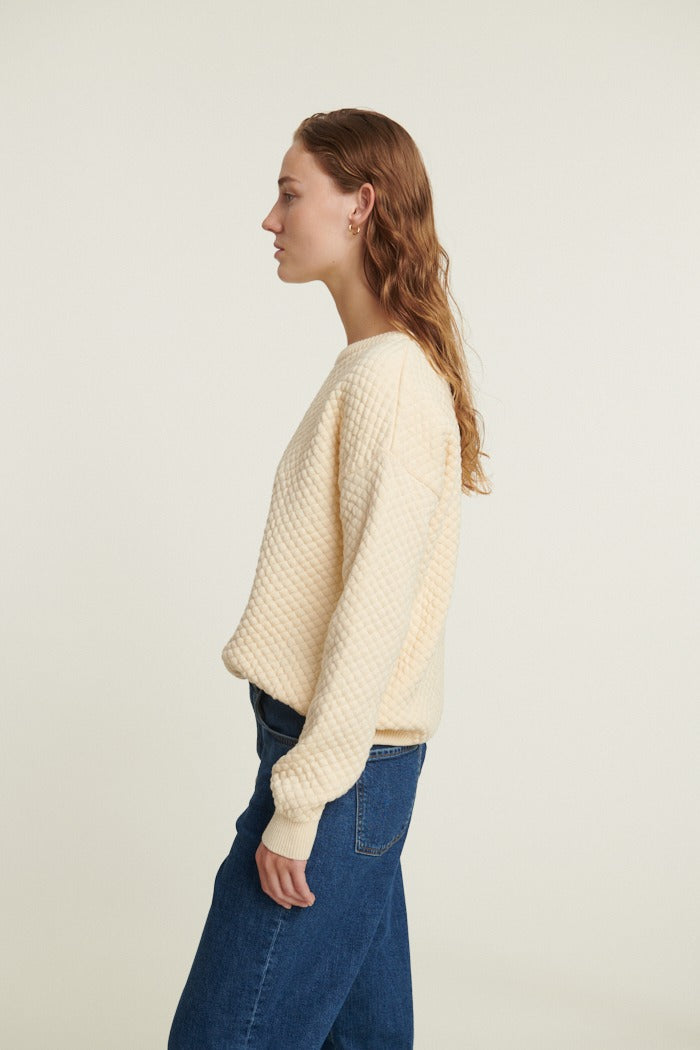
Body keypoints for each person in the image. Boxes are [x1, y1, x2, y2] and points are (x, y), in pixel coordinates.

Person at [167, 107, 490, 1050]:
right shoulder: (375, 368)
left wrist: (300, 801)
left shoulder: (391, 381)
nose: (270, 219)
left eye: (289, 193)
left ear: (361, 204)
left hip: (337, 771)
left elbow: (372, 615)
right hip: (346, 767)